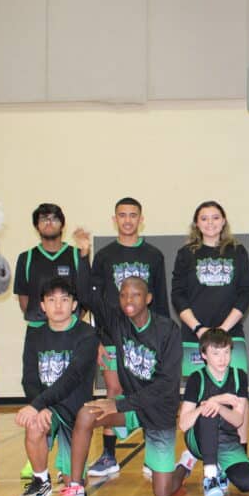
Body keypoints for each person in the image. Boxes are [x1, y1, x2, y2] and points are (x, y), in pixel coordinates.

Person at [51, 276, 185, 496]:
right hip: (130, 408)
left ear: (148, 299)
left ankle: (184, 465)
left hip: (158, 411)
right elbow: (87, 293)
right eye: (123, 295)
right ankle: (75, 489)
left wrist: (121, 404)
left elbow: (166, 386)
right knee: (85, 415)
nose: (128, 300)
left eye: (135, 295)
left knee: (162, 492)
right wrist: (83, 257)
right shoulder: (117, 321)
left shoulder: (168, 331)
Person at [87, 197, 170, 478]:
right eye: (122, 215)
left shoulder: (154, 255)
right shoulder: (104, 256)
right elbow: (95, 303)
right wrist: (98, 339)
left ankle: (152, 455)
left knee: (148, 394)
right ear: (115, 220)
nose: (127, 220)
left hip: (146, 338)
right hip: (112, 337)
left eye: (132, 215)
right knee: (113, 391)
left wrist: (162, 338)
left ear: (140, 219)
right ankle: (109, 455)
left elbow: (160, 300)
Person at [171, 201, 249, 465]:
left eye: (215, 217)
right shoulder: (186, 254)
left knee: (237, 395)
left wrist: (222, 329)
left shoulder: (237, 251)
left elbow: (246, 292)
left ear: (223, 221)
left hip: (231, 333)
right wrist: (198, 328)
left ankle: (240, 454)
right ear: (197, 223)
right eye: (204, 218)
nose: (210, 223)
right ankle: (201, 450)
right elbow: (178, 295)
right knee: (200, 394)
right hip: (195, 335)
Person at [12, 203, 92, 479]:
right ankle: (39, 453)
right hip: (41, 330)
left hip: (71, 332)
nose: (49, 222)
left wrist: (84, 255)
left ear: (62, 223)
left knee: (70, 386)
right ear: (36, 226)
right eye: (43, 219)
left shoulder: (74, 254)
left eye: (54, 218)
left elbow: (84, 290)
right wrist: (41, 320)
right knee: (38, 385)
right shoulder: (27, 258)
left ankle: (67, 454)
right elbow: (24, 299)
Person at [14, 277, 98, 496]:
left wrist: (37, 405)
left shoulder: (87, 335)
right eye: (51, 300)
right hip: (48, 407)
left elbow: (71, 379)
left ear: (74, 304)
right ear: (42, 305)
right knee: (33, 424)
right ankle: (41, 481)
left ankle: (71, 472)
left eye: (64, 299)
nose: (58, 306)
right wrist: (38, 408)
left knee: (76, 482)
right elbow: (29, 377)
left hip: (74, 410)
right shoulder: (35, 335)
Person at [178, 328, 249, 496]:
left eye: (226, 352)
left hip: (226, 440)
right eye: (216, 353)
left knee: (247, 483)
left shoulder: (239, 376)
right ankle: (210, 476)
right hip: (198, 440)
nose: (223, 359)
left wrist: (220, 406)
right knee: (209, 412)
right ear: (204, 355)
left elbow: (238, 420)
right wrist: (213, 401)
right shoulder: (196, 378)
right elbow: (183, 424)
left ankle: (219, 466)